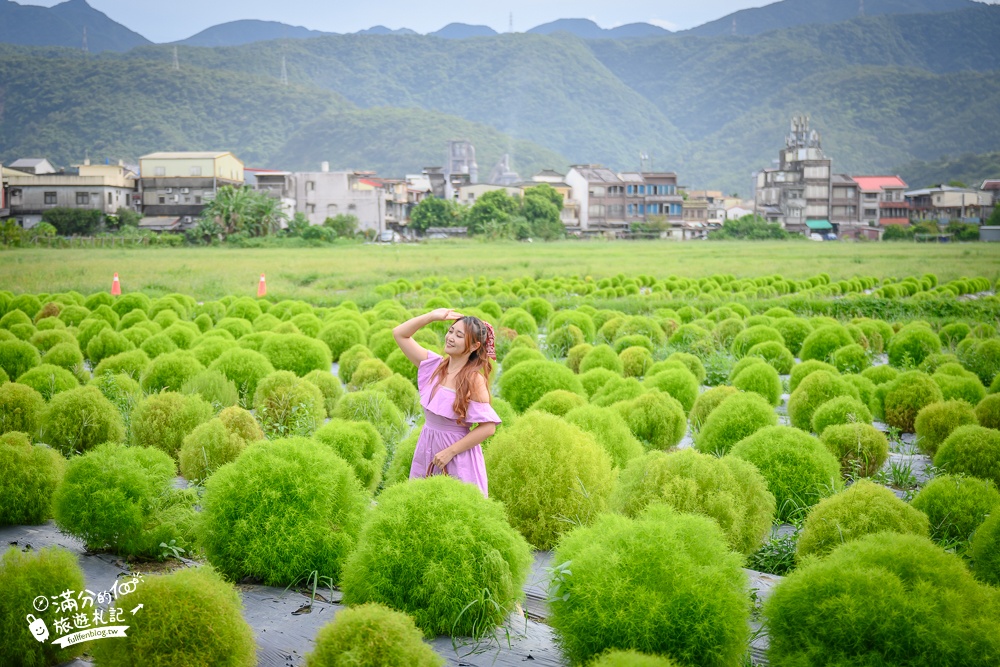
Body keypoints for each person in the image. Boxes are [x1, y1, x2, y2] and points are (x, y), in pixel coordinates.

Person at [392, 308, 501, 496]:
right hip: (428, 446)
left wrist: (450, 452)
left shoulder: (473, 380)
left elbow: (488, 427)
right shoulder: (434, 365)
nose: (450, 337)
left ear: (474, 346)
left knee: (456, 510)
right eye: (450, 331)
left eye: (459, 335)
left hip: (458, 454)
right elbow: (399, 334)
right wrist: (432, 316)